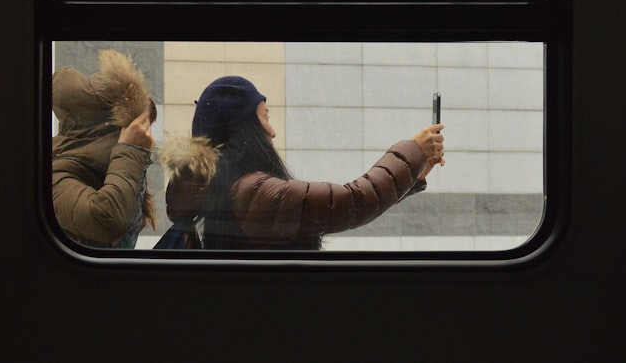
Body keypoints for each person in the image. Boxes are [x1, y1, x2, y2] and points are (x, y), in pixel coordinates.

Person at [158, 75, 445, 250]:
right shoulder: (254, 193)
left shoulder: (230, 189)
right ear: (244, 128)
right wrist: (414, 151)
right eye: (265, 116)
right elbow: (352, 202)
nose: (272, 130)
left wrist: (413, 175)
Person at [51, 49, 157, 249]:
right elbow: (107, 218)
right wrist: (129, 149)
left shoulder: (106, 169)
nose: (147, 138)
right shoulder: (57, 173)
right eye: (137, 129)